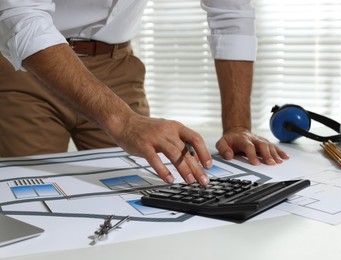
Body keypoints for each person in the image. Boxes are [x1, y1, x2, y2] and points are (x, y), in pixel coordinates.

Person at [0, 0, 288, 186]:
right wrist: (123, 121)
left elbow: (230, 13)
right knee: (26, 192)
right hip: (26, 66)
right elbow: (23, 18)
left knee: (144, 189)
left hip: (118, 66)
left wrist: (237, 125)